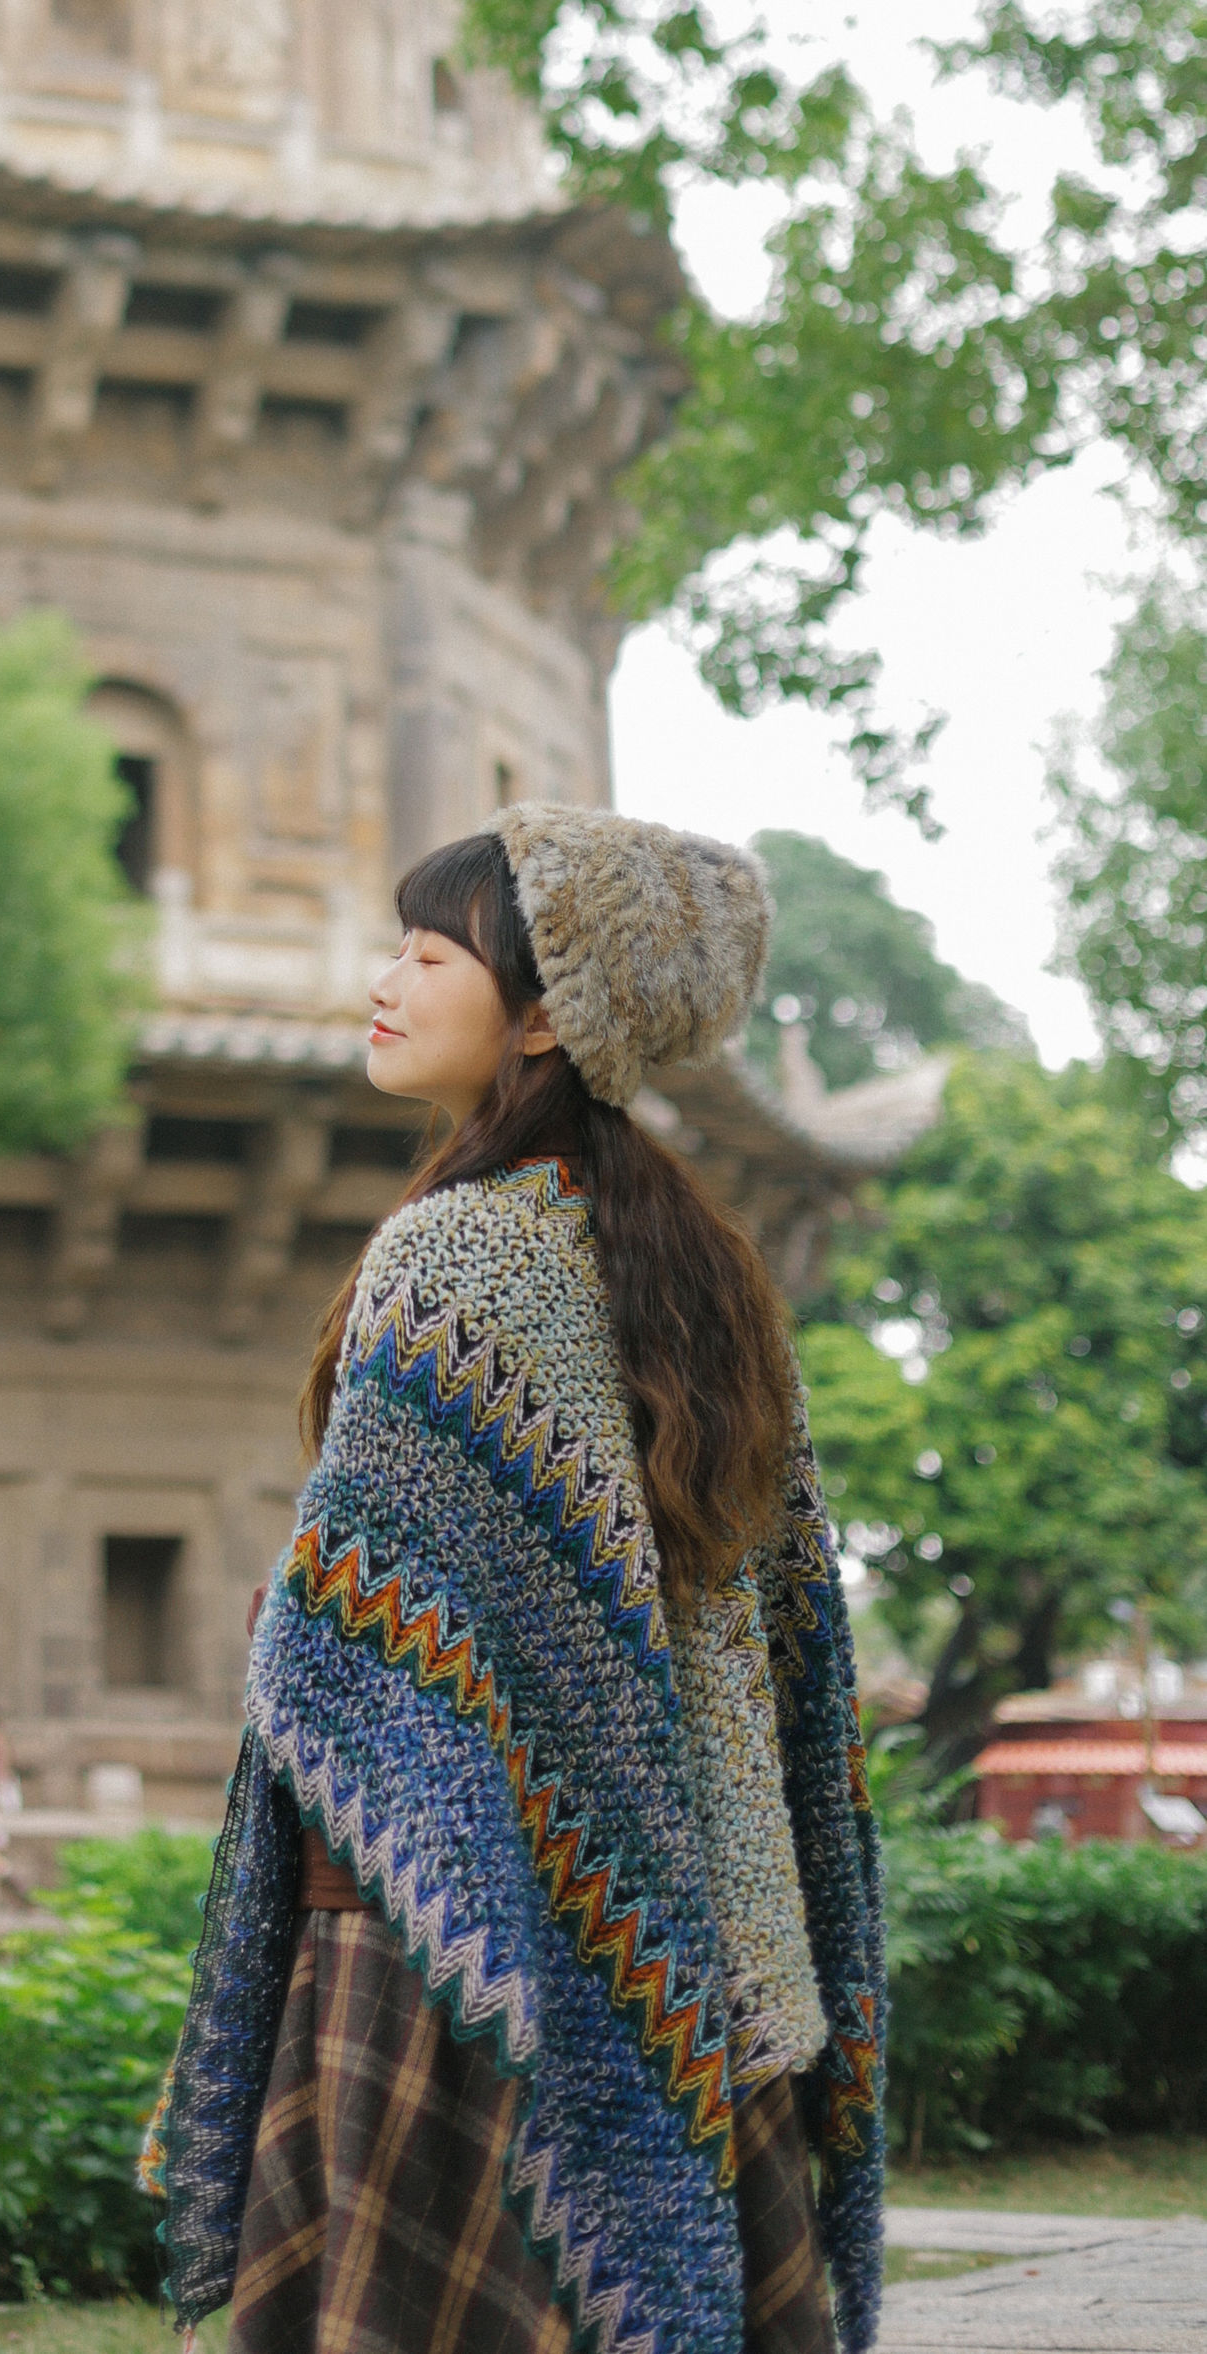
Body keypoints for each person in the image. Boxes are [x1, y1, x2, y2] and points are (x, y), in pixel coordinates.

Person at [146, 806, 884, 2354]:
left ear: (547, 1014)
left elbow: (343, 1652)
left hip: (442, 1920)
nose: (386, 979)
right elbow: (785, 1660)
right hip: (686, 1942)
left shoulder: (457, 1258)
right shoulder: (710, 1273)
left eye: (431, 951)